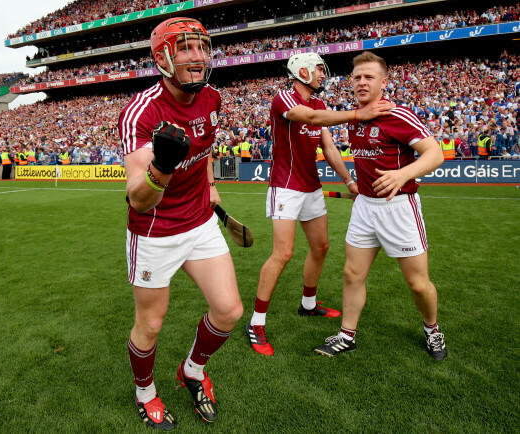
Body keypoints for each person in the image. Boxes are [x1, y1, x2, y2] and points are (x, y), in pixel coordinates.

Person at [118, 17, 243, 431]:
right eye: (186, 48)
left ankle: (191, 370)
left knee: (228, 311)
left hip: (199, 221)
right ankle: (145, 393)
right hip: (155, 231)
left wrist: (212, 194)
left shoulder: (212, 97)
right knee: (150, 325)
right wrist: (162, 166)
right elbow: (138, 197)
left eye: (203, 47)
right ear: (162, 58)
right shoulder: (141, 113)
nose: (199, 57)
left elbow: (203, 149)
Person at [246, 52, 394, 356]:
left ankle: (308, 305)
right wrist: (356, 115)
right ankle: (256, 323)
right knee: (283, 253)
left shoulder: (319, 104)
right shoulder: (283, 99)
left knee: (321, 247)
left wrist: (351, 183)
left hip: (311, 187)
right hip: (286, 187)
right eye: (318, 70)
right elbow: (310, 119)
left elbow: (328, 148)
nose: (322, 75)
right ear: (301, 71)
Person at [313, 51, 447, 362]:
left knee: (417, 283)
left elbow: (434, 153)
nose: (361, 82)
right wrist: (355, 183)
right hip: (365, 207)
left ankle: (433, 329)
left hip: (398, 207)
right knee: (352, 274)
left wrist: (403, 174)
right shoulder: (353, 117)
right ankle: (347, 336)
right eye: (357, 77)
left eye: (369, 77)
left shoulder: (397, 115)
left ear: (383, 83)